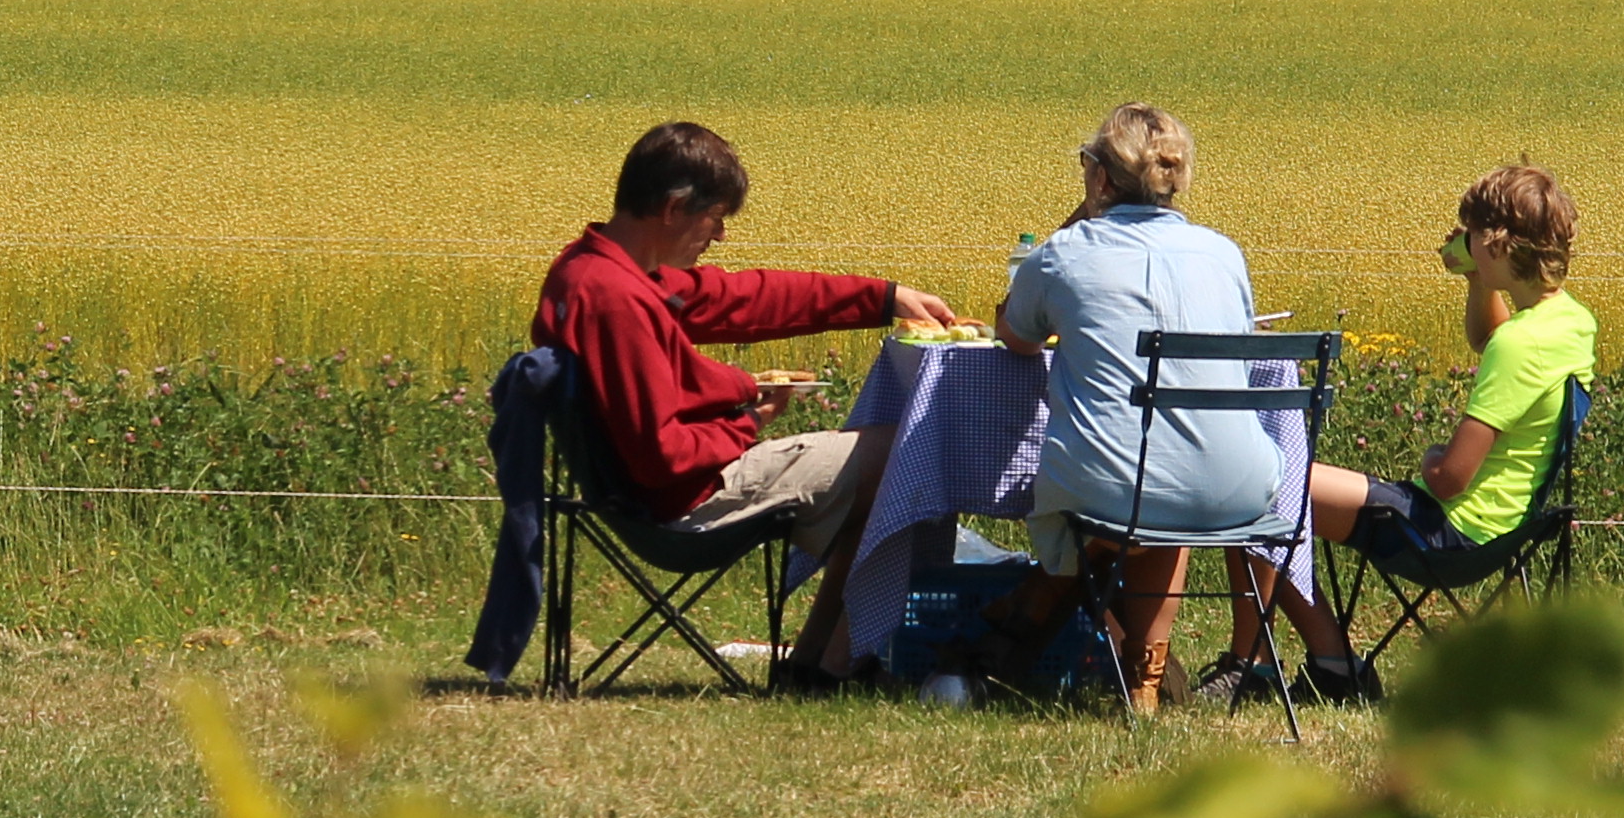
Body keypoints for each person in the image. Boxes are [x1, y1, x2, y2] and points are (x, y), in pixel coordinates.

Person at [529, 119, 963, 692]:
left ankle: (820, 663)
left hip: (647, 495)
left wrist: (882, 298)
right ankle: (838, 666)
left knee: (891, 464)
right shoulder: (616, 299)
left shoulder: (601, 271)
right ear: (673, 208)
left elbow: (747, 299)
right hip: (684, 505)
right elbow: (663, 456)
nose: (720, 237)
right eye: (716, 218)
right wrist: (743, 423)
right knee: (917, 453)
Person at [1202, 160, 1588, 703]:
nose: (1464, 240)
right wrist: (1477, 278)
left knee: (1258, 485)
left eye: (1473, 234)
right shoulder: (1569, 322)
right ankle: (1329, 664)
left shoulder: (1519, 347)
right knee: (1278, 485)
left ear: (1499, 244)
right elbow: (1491, 337)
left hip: (1448, 531)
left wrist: (1431, 459)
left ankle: (1268, 665)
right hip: (1507, 529)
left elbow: (1452, 477)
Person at [994, 101, 1295, 714]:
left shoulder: (1068, 250)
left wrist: (1075, 221)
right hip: (1239, 488)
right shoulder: (1222, 253)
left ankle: (1028, 633)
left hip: (1117, 486)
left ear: (1100, 177)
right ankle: (1144, 682)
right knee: (1164, 473)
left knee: (1134, 484)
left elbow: (1016, 335)